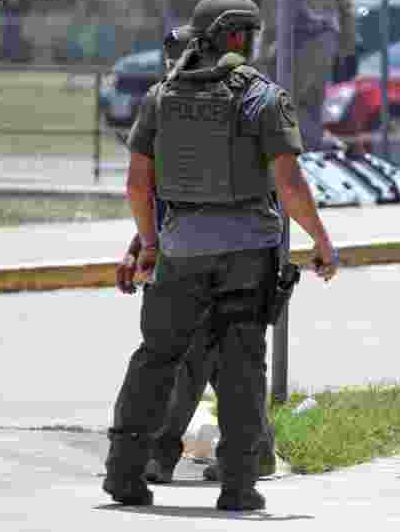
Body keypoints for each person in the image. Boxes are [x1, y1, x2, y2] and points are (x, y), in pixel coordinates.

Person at [103, 0, 339, 512]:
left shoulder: (162, 95)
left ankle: (124, 472)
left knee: (155, 358)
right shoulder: (262, 97)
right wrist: (321, 242)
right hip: (247, 254)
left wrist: (148, 244)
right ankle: (237, 486)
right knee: (240, 364)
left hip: (180, 249)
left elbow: (137, 186)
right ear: (239, 36)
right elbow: (291, 184)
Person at [109, 27, 279, 488]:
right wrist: (138, 246)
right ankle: (252, 453)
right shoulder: (173, 106)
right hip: (184, 248)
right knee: (215, 360)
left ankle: (165, 456)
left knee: (203, 359)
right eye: (169, 59)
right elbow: (159, 197)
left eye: (179, 56)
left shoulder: (226, 106)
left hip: (229, 253)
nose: (174, 66)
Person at [257, 0, 357, 151]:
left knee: (286, 105)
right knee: (312, 106)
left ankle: (294, 160)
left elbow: (271, 14)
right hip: (325, 42)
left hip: (294, 43)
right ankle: (311, 155)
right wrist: (346, 47)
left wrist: (262, 52)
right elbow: (347, 9)